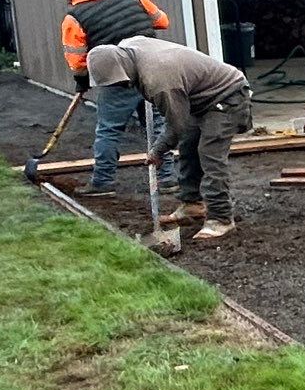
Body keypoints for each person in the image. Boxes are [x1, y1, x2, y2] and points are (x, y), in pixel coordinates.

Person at [84, 38, 253, 242]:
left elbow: (176, 126)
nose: (121, 86)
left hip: (228, 95)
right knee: (188, 148)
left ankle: (221, 218)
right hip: (200, 98)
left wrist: (158, 150)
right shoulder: (128, 46)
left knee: (210, 155)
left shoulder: (159, 80)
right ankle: (192, 204)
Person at [55, 0, 172, 194]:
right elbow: (162, 21)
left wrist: (81, 81)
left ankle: (102, 182)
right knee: (157, 126)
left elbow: (77, 59)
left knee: (109, 129)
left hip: (117, 77)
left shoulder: (74, 16)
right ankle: (167, 178)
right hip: (153, 70)